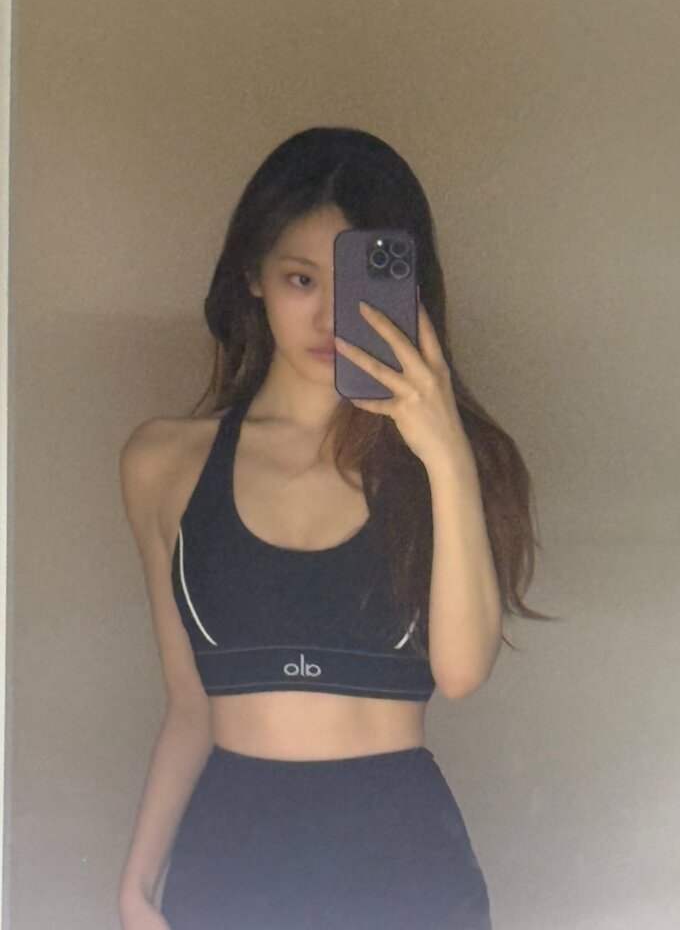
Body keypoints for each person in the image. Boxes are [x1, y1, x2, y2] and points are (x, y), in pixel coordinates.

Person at [117, 127, 547, 930]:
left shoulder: (451, 461)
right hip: (229, 853)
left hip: (400, 861)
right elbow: (190, 704)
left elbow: (460, 671)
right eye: (299, 279)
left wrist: (444, 450)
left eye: (349, 285)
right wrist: (136, 885)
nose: (325, 317)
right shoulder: (163, 462)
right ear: (252, 276)